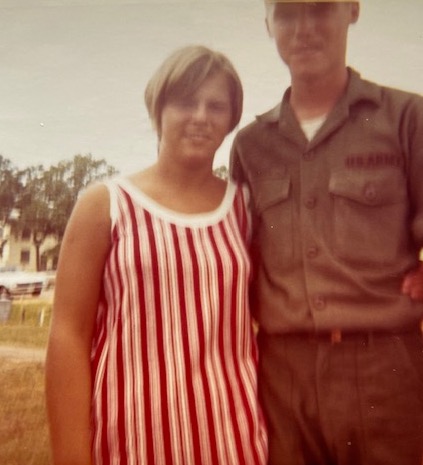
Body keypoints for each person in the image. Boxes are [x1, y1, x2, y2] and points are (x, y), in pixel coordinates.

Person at [45, 45, 267, 465]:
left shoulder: (246, 208)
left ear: (231, 119)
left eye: (216, 106)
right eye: (186, 101)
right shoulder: (105, 204)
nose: (201, 116)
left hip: (232, 441)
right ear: (158, 109)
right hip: (130, 444)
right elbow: (68, 337)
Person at [230, 1, 423, 464]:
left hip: (386, 368)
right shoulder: (251, 146)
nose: (304, 29)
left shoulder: (405, 117)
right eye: (287, 14)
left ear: (352, 11)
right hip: (281, 375)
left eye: (320, 9)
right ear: (268, 25)